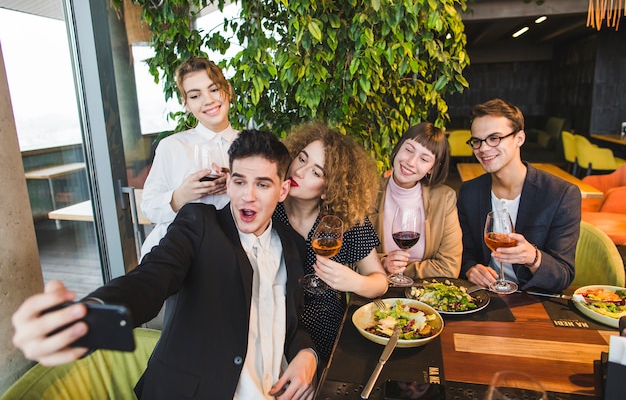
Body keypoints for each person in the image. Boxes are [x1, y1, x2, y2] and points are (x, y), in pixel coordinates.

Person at [12, 130, 317, 400]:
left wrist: (307, 353)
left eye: (262, 184)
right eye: (239, 181)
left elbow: (292, 321)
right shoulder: (199, 225)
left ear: (283, 190)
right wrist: (87, 319)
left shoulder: (291, 246)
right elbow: (150, 278)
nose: (247, 196)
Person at [273, 123, 388, 361]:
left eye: (316, 172)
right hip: (274, 325)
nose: (299, 172)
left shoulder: (344, 220)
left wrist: (353, 281)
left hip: (326, 331)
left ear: (328, 189)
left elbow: (380, 282)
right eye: (301, 159)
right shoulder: (269, 209)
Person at [457, 98, 580, 293]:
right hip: (485, 296)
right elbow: (465, 252)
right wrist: (470, 269)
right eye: (477, 141)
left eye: (494, 138)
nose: (484, 149)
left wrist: (534, 257)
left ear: (519, 138)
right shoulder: (469, 192)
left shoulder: (561, 195)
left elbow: (563, 275)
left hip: (532, 298)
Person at [140, 57, 239, 258]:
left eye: (213, 89)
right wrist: (180, 196)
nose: (208, 100)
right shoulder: (172, 147)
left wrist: (238, 181)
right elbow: (149, 207)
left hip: (236, 252)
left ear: (227, 89)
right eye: (195, 96)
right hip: (184, 253)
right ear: (186, 104)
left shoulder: (251, 145)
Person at [370, 123, 462, 279]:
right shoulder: (367, 193)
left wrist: (395, 271)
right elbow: (350, 260)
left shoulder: (444, 199)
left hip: (425, 294)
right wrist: (383, 262)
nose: (411, 162)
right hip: (376, 294)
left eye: (424, 159)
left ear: (432, 168)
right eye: (408, 150)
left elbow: (449, 268)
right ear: (399, 147)